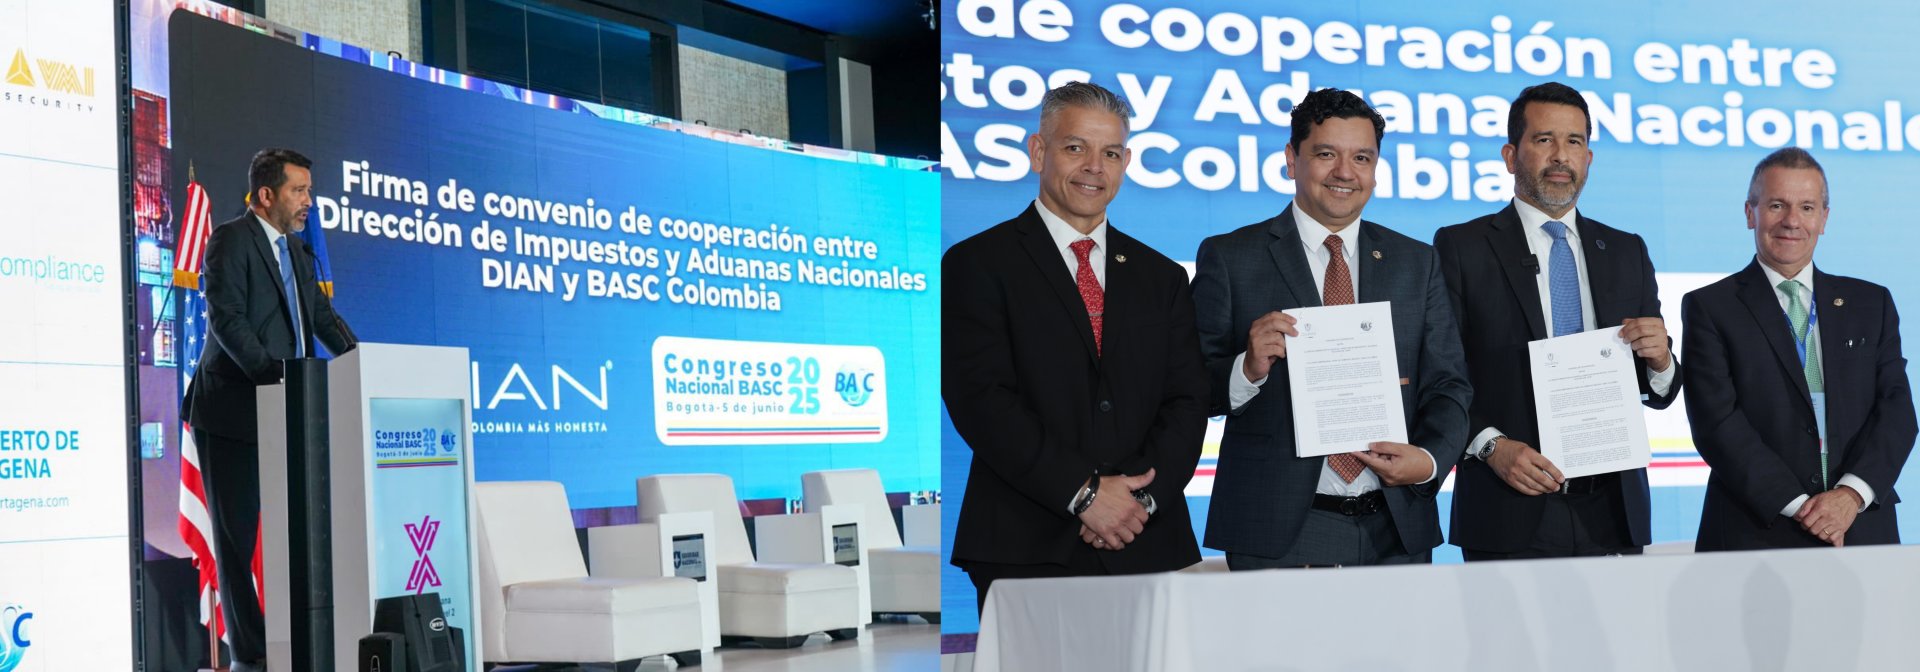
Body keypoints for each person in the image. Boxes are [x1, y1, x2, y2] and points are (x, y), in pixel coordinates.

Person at [944, 81, 1208, 611]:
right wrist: (1084, 494)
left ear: (1126, 162)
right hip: (1025, 543)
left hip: (1146, 539)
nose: (1094, 166)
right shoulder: (978, 262)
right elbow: (982, 399)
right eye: (1075, 147)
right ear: (1038, 151)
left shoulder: (1163, 277)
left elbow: (1187, 401)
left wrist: (1137, 502)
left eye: (1110, 153)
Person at [1194, 88, 1472, 569]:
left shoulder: (1416, 262)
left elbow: (1449, 384)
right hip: (1278, 531)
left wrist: (1427, 461)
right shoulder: (1230, 257)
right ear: (1291, 159)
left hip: (1396, 529)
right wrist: (1247, 368)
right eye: (1327, 154)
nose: (1345, 172)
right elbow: (1189, 386)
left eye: (1361, 157)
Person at [1433, 82, 1681, 561]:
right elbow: (1440, 377)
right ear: (1511, 155)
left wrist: (1662, 359)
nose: (1561, 156)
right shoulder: (1462, 248)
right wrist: (1491, 447)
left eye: (1575, 142)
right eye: (1545, 140)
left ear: (1589, 157)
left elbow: (1660, 390)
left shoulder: (1627, 251)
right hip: (1508, 507)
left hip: (1612, 512)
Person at [1683, 147, 1913, 550]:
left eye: (1807, 207)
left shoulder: (1871, 303)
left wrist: (1849, 497)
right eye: (1776, 205)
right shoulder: (1710, 307)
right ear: (1750, 212)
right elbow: (1716, 423)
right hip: (1756, 528)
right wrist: (1805, 508)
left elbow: (1896, 411)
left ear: (1824, 218)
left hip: (1860, 527)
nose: (1791, 221)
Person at [183, 148, 358, 671]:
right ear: (267, 195)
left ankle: (300, 641)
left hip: (291, 413)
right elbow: (227, 321)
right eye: (299, 190)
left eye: (309, 190)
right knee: (237, 541)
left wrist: (364, 363)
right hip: (234, 411)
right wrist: (277, 379)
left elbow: (324, 321)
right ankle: (252, 655)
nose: (309, 201)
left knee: (299, 534)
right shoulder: (230, 240)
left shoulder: (300, 254)